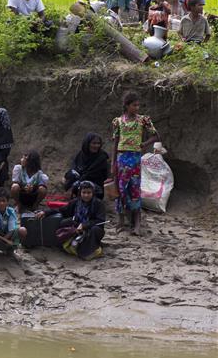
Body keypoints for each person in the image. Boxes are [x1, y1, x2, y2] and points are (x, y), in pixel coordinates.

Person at [111, 91, 159, 236]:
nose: (137, 108)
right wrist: (113, 162)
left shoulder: (143, 120)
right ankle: (121, 221)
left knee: (134, 190)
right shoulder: (118, 121)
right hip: (121, 158)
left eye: (138, 105)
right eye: (134, 105)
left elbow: (156, 136)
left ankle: (137, 224)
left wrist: (144, 144)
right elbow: (115, 142)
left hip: (135, 159)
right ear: (126, 106)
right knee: (120, 190)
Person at [35, 181, 105, 260]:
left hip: (91, 229)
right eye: (84, 192)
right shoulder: (76, 202)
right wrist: (45, 212)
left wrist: (85, 225)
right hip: (77, 228)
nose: (86, 195)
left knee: (95, 229)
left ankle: (88, 251)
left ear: (93, 193)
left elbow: (100, 221)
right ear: (80, 192)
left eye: (89, 193)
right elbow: (62, 210)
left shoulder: (99, 204)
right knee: (64, 222)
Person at [63, 132, 110, 199]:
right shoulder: (81, 154)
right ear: (87, 144)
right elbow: (74, 168)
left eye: (98, 143)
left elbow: (88, 174)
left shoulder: (101, 157)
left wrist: (73, 187)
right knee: (70, 176)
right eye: (94, 143)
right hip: (81, 182)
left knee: (81, 186)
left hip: (95, 186)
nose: (96, 146)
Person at [0, 187, 26, 260]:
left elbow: (11, 229)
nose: (1, 203)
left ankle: (11, 251)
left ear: (7, 201)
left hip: (8, 235)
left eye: (4, 200)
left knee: (22, 230)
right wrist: (5, 240)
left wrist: (5, 240)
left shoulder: (11, 211)